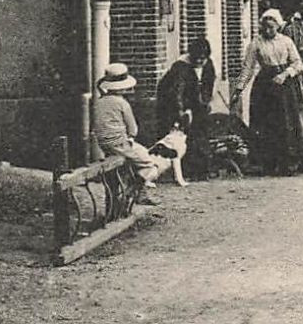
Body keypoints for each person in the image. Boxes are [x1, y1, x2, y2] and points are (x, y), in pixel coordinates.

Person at [233, 8, 303, 174]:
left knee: (286, 122)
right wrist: (239, 88)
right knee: (266, 123)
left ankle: (288, 162)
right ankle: (268, 162)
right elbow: (248, 67)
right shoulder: (256, 43)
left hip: (284, 85)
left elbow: (297, 63)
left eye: (271, 27)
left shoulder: (286, 41)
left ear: (278, 26)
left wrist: (285, 74)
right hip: (265, 85)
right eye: (265, 27)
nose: (268, 31)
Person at [91, 63, 165, 202]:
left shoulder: (99, 102)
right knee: (151, 165)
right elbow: (133, 129)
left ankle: (140, 194)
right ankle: (132, 190)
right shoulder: (122, 103)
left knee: (133, 159)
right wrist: (129, 137)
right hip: (120, 144)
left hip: (104, 144)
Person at [157, 38, 213, 176]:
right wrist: (181, 110)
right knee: (183, 136)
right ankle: (185, 169)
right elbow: (177, 92)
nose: (200, 62)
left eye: (203, 59)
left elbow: (208, 85)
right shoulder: (181, 67)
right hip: (173, 103)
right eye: (197, 58)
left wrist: (205, 102)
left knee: (200, 130)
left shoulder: (208, 65)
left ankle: (201, 168)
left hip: (195, 102)